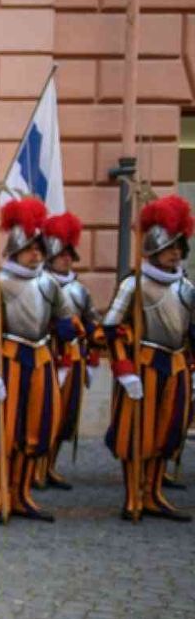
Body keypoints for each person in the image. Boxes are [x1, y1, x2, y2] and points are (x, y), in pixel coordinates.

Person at [0, 196, 80, 524]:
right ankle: (2, 497)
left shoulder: (50, 284)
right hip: (8, 361)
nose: (36, 253)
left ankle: (22, 494)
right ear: (14, 249)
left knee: (35, 432)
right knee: (4, 434)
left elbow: (67, 322)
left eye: (39, 247)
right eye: (29, 247)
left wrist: (70, 335)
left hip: (40, 360)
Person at [102, 195, 193, 521]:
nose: (175, 252)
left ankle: (153, 493)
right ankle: (132, 495)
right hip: (144, 365)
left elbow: (191, 331)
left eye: (178, 247)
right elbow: (111, 329)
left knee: (167, 432)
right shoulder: (133, 284)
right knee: (135, 432)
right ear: (154, 249)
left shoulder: (186, 287)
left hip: (176, 365)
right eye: (169, 247)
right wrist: (125, 369)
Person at [39, 211, 97, 491]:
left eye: (69, 254)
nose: (66, 258)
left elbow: (91, 322)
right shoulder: (39, 285)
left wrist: (92, 353)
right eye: (61, 254)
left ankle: (50, 466)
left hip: (72, 359)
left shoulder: (80, 291)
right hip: (46, 355)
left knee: (66, 416)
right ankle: (34, 468)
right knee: (42, 414)